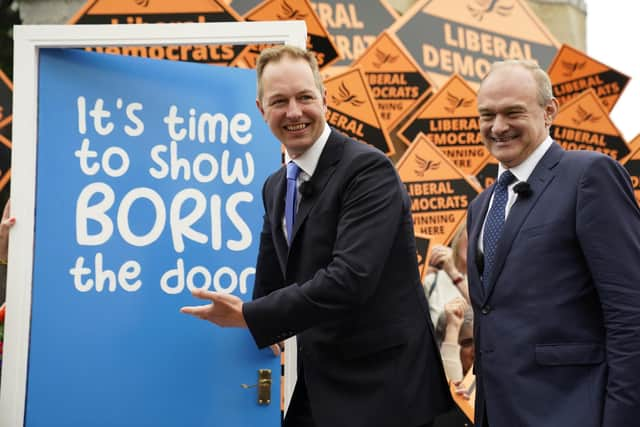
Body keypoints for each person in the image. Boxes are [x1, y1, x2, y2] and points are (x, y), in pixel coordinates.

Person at [180, 45, 452, 427]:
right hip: (321, 380)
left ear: (324, 99)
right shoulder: (275, 185)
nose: (294, 112)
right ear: (262, 110)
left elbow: (350, 279)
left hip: (383, 388)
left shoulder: (368, 170)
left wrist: (252, 316)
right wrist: (260, 318)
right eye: (279, 101)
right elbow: (272, 271)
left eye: (304, 97)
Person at [467, 59, 640, 427]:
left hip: (573, 411)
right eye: (487, 115)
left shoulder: (589, 175)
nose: (498, 127)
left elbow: (630, 312)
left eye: (513, 112)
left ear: (549, 112)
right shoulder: (481, 206)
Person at [424, 223, 470, 327]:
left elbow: (482, 310)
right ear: (458, 237)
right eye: (471, 232)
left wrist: (453, 272)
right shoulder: (431, 281)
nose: (474, 240)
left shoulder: (487, 282)